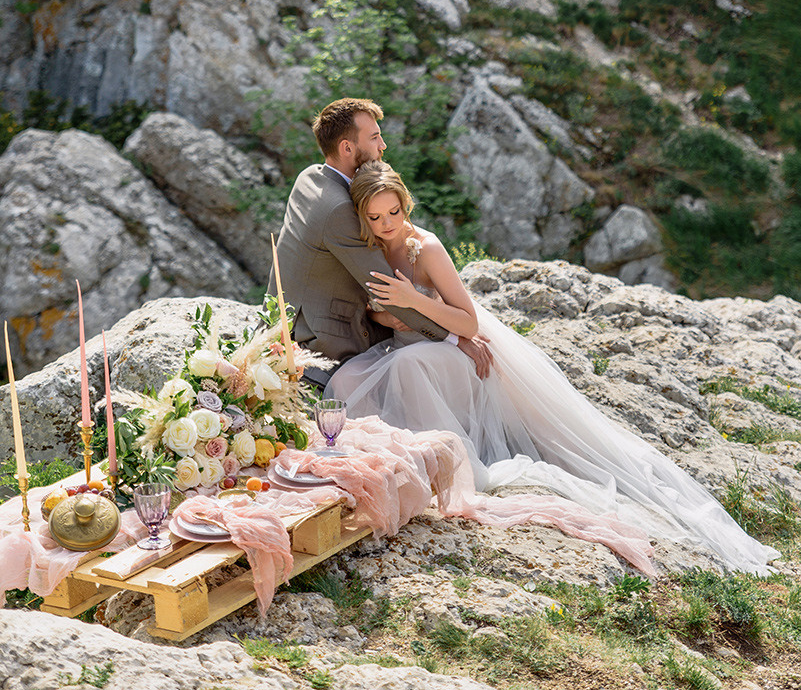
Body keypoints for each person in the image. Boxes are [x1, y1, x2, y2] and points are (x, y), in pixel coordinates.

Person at [328, 161, 780, 575]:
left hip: (457, 352)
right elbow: (381, 313)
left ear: (404, 204)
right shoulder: (370, 249)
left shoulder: (424, 248)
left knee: (408, 366)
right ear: (362, 218)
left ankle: (454, 468)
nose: (388, 225)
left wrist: (412, 302)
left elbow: (467, 320)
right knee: (346, 378)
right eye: (376, 217)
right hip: (414, 345)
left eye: (393, 212)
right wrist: (383, 316)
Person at [266, 98, 491, 388]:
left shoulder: (310, 177)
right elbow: (388, 290)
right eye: (374, 138)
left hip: (288, 318)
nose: (382, 145)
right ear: (347, 148)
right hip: (322, 339)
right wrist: (454, 339)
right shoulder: (339, 210)